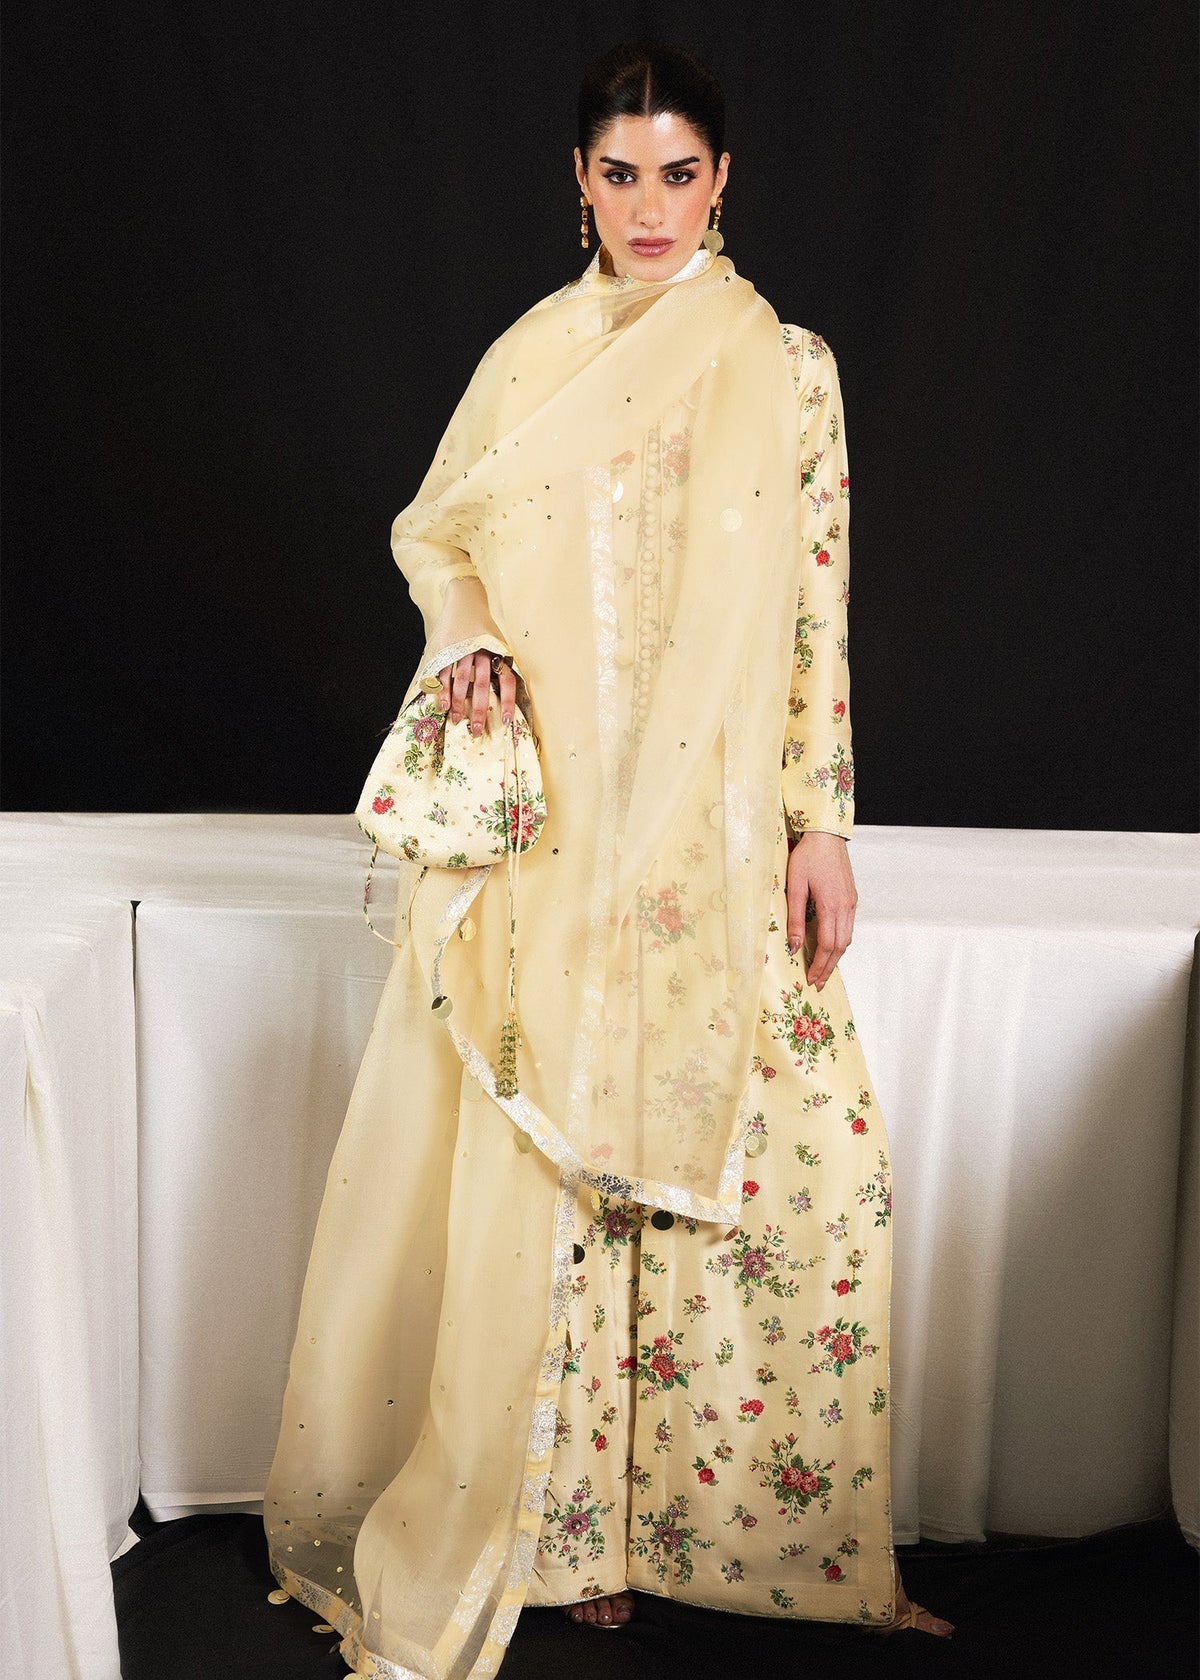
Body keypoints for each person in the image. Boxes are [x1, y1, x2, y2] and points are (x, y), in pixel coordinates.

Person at [263, 40, 952, 1678]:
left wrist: (822, 824)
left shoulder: (785, 366)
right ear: (579, 182)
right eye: (622, 173)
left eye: (680, 173)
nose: (652, 207)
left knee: (784, 1173)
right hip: (563, 831)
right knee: (558, 1171)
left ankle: (764, 1547)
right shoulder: (535, 360)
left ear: (724, 181)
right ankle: (567, 1539)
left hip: (721, 835)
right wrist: (470, 635)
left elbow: (816, 604)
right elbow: (437, 533)